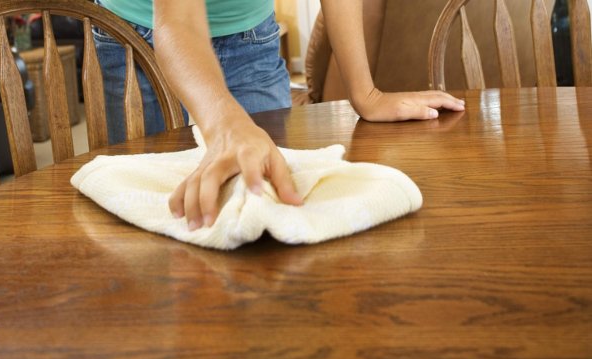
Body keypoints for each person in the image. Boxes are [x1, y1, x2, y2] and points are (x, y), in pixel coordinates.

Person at [95, 0, 465, 231]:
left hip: (250, 38)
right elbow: (181, 20)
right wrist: (226, 125)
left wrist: (366, 94)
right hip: (141, 35)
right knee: (158, 221)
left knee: (266, 203)